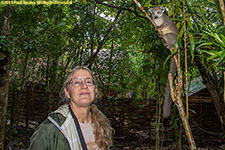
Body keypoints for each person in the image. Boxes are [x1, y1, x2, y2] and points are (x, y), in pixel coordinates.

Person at [29, 66, 113, 150]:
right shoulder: (51, 129)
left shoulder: (103, 124)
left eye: (88, 81)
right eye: (76, 82)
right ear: (67, 92)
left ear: (95, 90)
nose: (84, 86)